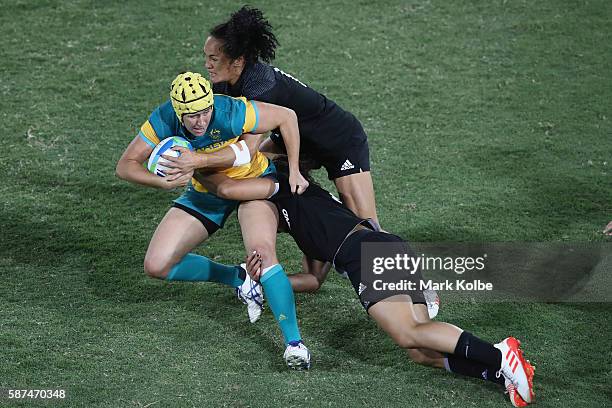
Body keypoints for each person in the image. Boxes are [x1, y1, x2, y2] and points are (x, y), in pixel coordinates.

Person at [196, 160, 536, 407]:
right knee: (419, 351)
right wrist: (265, 282)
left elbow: (228, 188)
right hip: (381, 247)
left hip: (364, 254)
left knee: (408, 332)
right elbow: (313, 280)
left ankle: (499, 355)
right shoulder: (309, 221)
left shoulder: (285, 185)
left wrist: (196, 167)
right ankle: (497, 374)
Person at [115, 72, 310, 369]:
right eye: (192, 116)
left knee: (264, 254)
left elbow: (287, 116)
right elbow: (125, 166)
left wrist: (294, 170)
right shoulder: (164, 118)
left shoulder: (230, 111)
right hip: (207, 191)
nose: (200, 121)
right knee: (157, 265)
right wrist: (164, 184)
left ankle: (294, 344)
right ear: (178, 112)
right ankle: (240, 278)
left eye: (205, 111)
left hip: (251, 186)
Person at [203, 6, 380, 229]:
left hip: (338, 139)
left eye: (214, 59)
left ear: (237, 61)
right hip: (292, 136)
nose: (207, 65)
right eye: (206, 57)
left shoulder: (260, 88)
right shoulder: (222, 82)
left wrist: (197, 161)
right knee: (258, 170)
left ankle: (388, 259)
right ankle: (318, 212)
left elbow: (246, 150)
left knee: (367, 225)